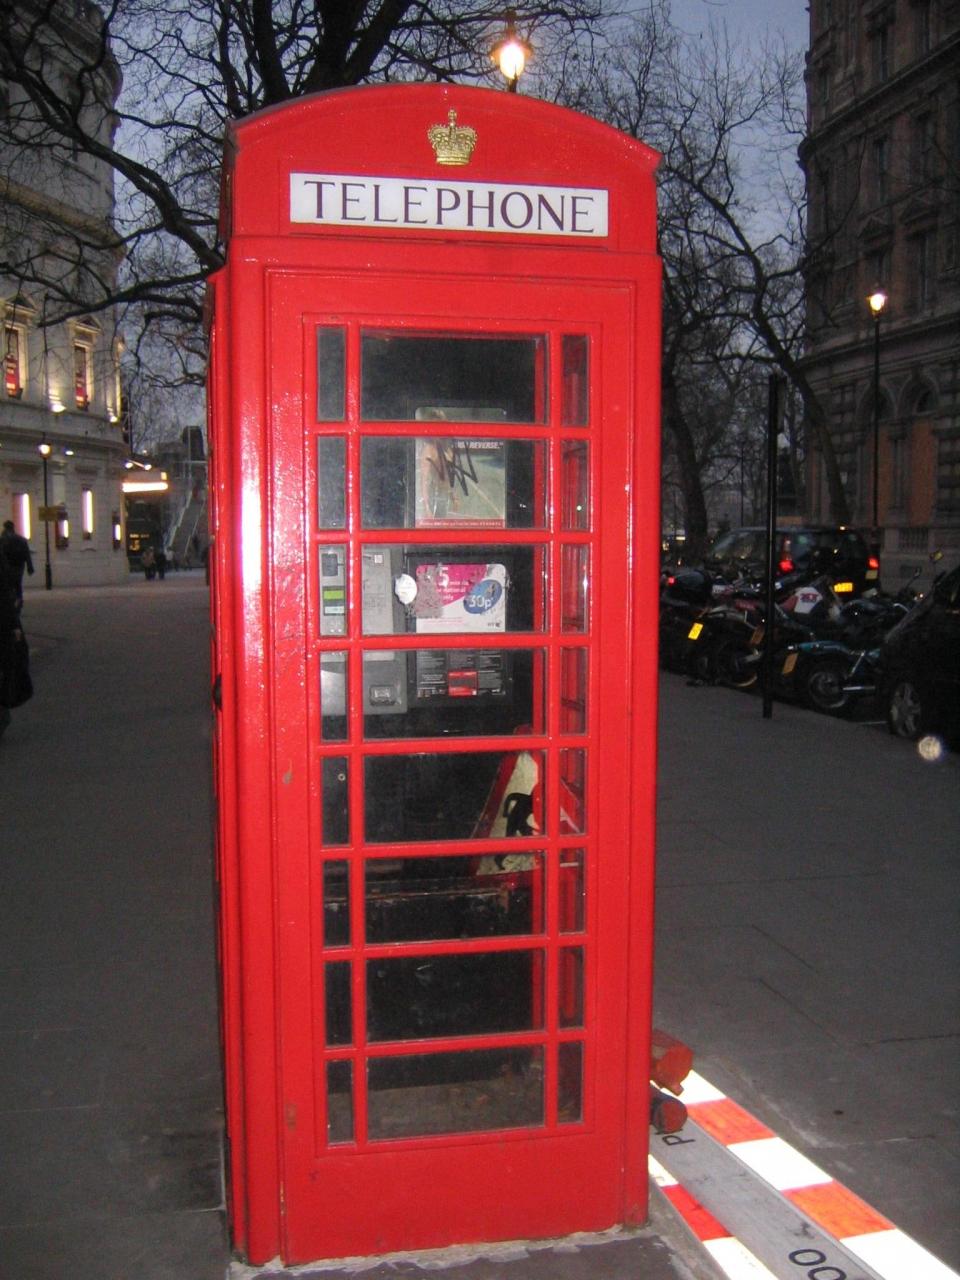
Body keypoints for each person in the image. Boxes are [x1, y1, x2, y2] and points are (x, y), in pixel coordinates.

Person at [0, 520, 34, 605]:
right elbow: (27, 554)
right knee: (18, 583)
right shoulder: (21, 539)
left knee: (8, 583)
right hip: (19, 565)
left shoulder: (3, 539)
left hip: (7, 565)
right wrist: (30, 567)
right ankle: (19, 598)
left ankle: (10, 601)